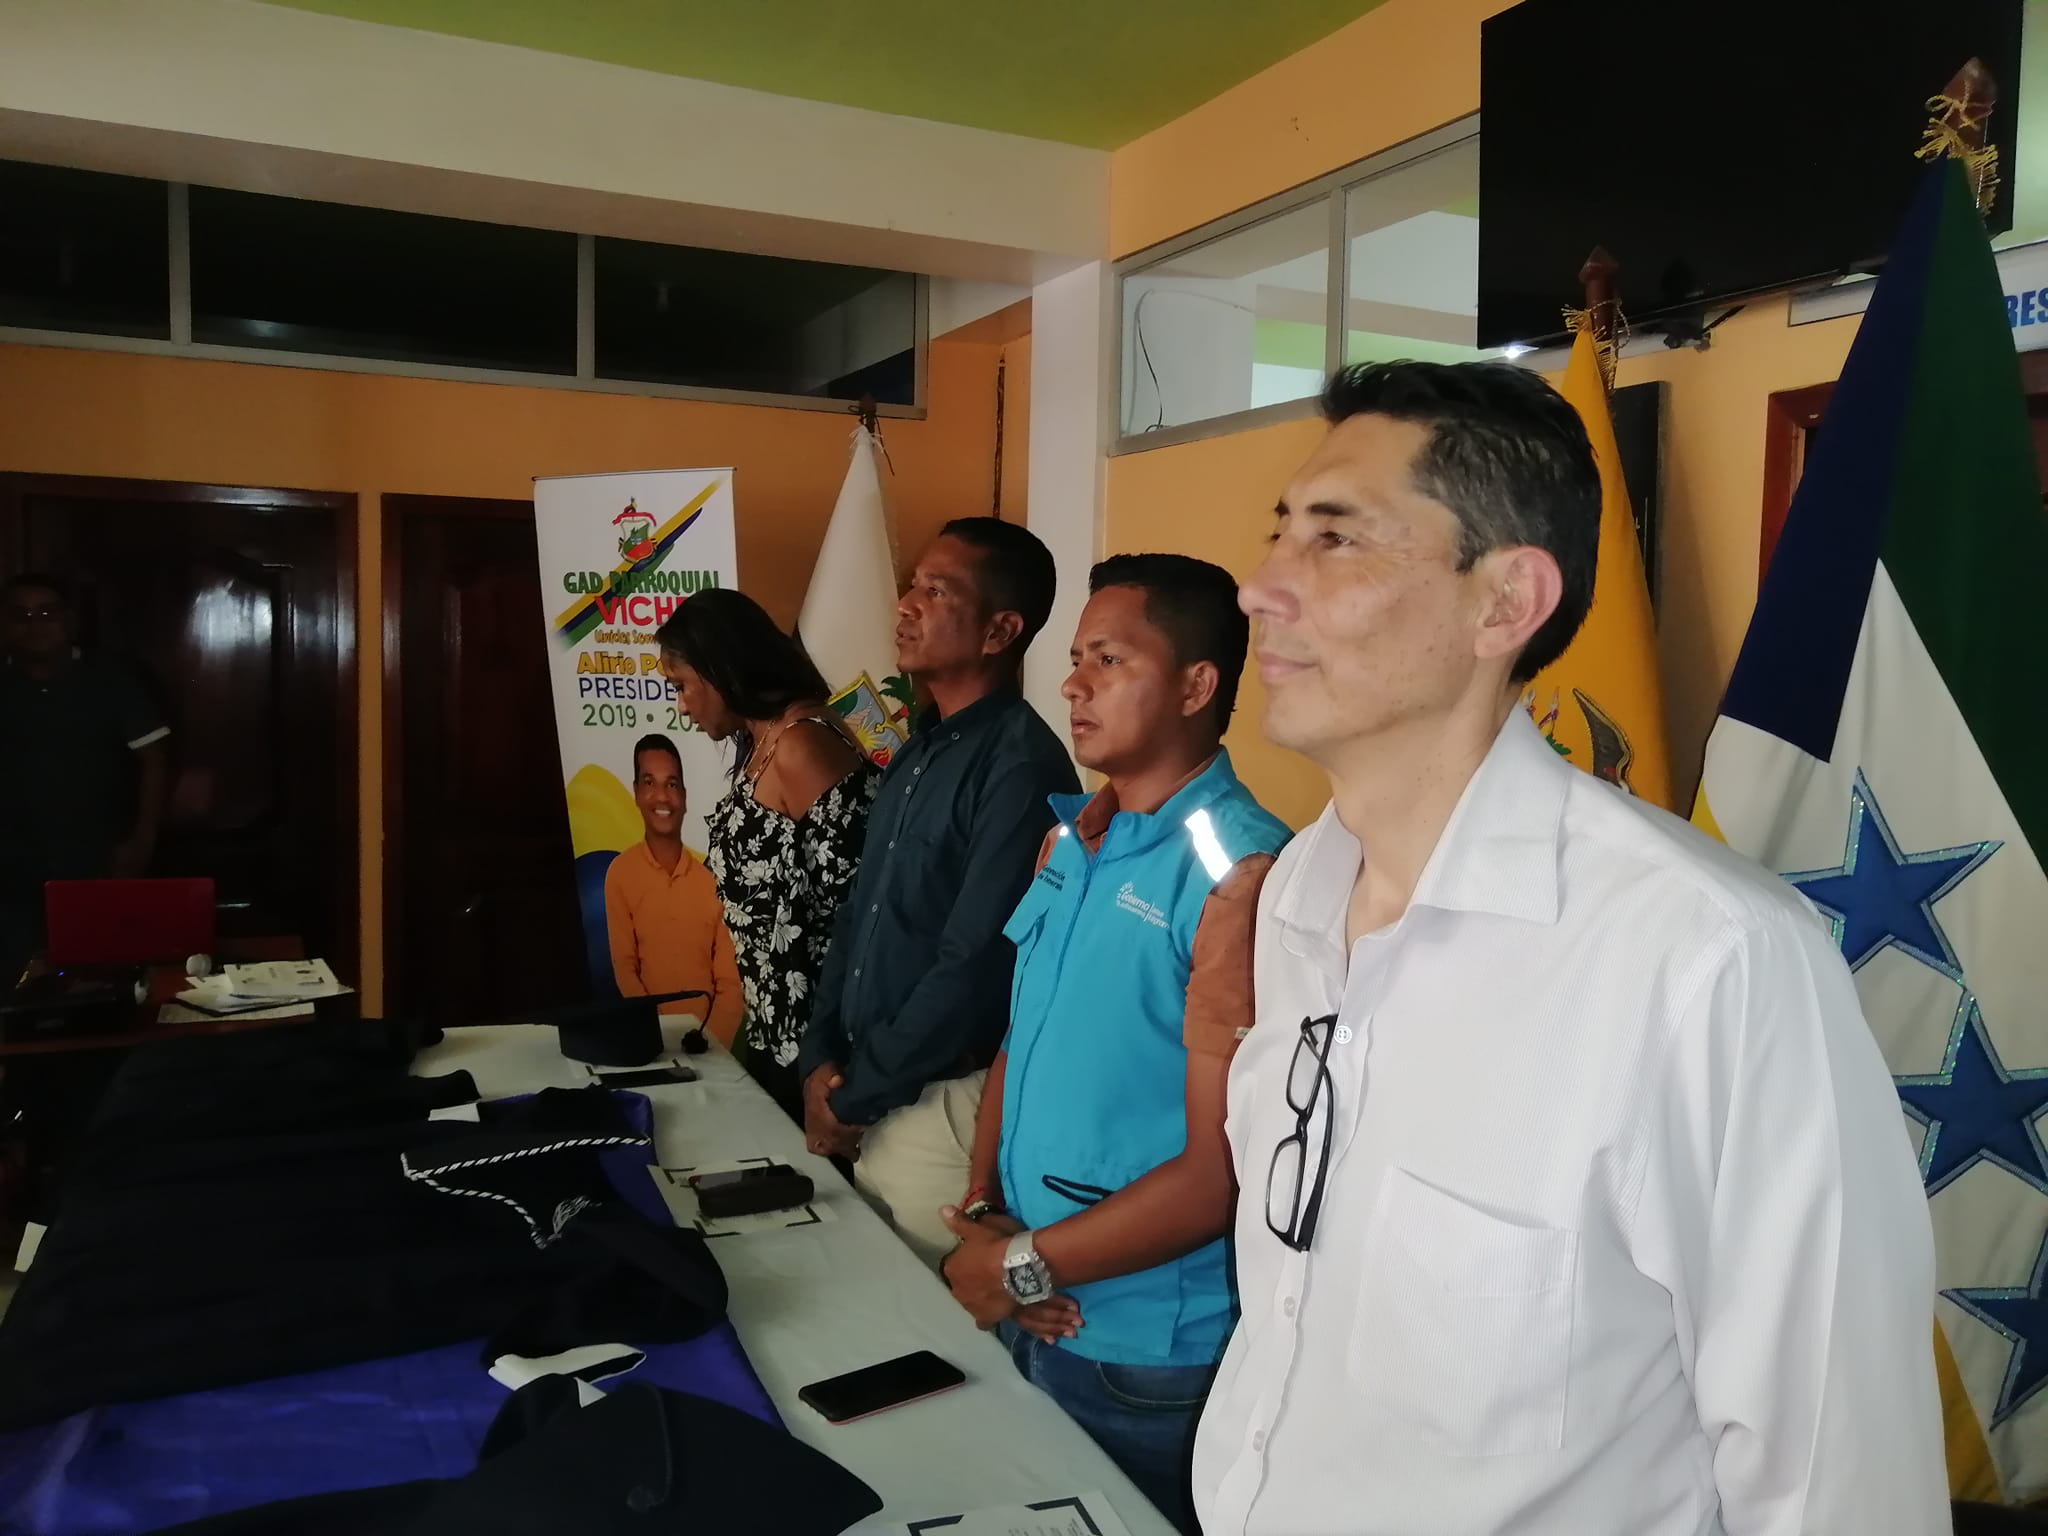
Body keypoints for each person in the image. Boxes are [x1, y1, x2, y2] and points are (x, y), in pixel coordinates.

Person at [1191, 362, 1946, 1535]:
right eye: (1278, 532)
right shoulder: (1296, 896)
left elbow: (1833, 1481)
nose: (1258, 587)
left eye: (1333, 539)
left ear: (1503, 603)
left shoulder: (1705, 961)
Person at [936, 554, 1288, 1534]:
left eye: (1108, 660)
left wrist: (1021, 1266)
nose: (1072, 684)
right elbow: (1021, 1043)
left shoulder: (1240, 871)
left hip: (1144, 1351)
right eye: (1074, 658)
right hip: (1037, 1296)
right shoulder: (1069, 841)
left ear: (1195, 685)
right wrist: (987, 1218)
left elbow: (1221, 1172)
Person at [798, 516, 1079, 1268]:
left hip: (942, 1108)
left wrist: (853, 1096)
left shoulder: (1021, 767)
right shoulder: (919, 751)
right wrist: (820, 1059)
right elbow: (858, 915)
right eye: (911, 585)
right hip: (868, 1090)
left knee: (935, 1326)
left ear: (999, 631)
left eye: (936, 590)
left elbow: (975, 964)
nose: (905, 605)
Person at [654, 589, 876, 1122]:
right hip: (778, 1027)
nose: (681, 707)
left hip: (822, 1042)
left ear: (720, 669)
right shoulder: (764, 740)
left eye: (682, 686)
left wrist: (824, 1055)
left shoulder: (802, 745)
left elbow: (857, 902)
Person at [0, 573, 170, 985]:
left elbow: (154, 761)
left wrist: (141, 841)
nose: (35, 625)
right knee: (15, 979)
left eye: (47, 613)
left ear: (69, 620)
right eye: (21, 615)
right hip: (10, 864)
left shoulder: (110, 679)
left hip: (94, 857)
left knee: (96, 975)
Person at [602, 734, 742, 1045]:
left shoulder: (713, 882)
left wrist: (710, 1046)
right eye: (649, 783)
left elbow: (730, 985)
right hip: (651, 1043)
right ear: (636, 792)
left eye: (672, 784)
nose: (662, 796)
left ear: (685, 797)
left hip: (710, 1047)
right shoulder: (620, 875)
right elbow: (626, 968)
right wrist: (660, 1038)